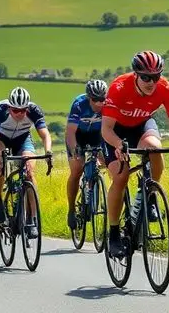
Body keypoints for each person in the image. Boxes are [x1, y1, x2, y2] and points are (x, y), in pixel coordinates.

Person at [101, 51, 169, 258]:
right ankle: (113, 233)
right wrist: (118, 145)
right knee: (121, 177)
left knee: (154, 147)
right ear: (136, 75)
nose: (152, 82)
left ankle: (149, 196)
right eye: (146, 77)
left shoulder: (166, 88)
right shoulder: (119, 87)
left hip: (142, 125)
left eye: (156, 77)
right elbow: (106, 129)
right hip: (116, 132)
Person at [0, 87, 52, 239]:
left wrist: (48, 152)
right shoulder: (0, 111)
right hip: (1, 139)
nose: (19, 114)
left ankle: (32, 219)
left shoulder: (34, 110)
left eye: (23, 110)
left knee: (29, 171)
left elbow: (45, 134)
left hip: (22, 139)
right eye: (15, 110)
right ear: (9, 107)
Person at [65, 79, 107, 230]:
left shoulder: (108, 105)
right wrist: (75, 149)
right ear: (89, 97)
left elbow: (110, 129)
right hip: (78, 136)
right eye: (95, 100)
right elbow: (70, 133)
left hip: (97, 135)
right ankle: (71, 210)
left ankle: (93, 186)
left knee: (106, 162)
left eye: (102, 99)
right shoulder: (79, 104)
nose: (99, 103)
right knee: (76, 170)